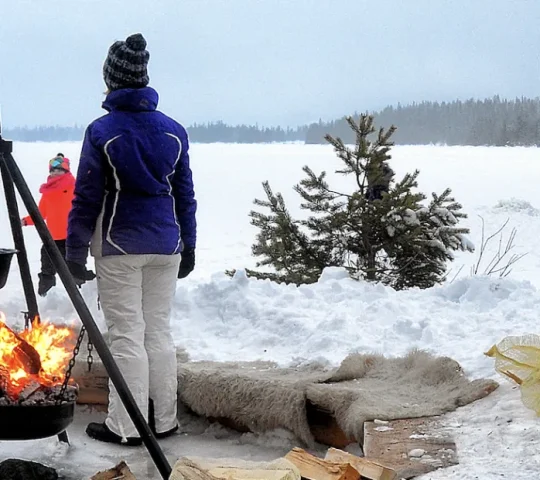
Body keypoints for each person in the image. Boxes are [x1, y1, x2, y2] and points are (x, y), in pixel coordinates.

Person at [66, 33, 197, 445]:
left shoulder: (103, 131)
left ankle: (126, 427)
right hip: (166, 245)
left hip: (119, 245)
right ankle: (165, 422)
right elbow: (185, 194)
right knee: (158, 331)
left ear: (112, 81)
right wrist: (189, 244)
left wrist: (73, 251)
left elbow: (86, 195)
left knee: (126, 334)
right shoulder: (174, 131)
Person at [22, 154, 94, 296]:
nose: (55, 172)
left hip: (72, 237)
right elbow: (40, 214)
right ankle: (46, 297)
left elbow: (86, 206)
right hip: (52, 238)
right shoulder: (47, 193)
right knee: (47, 270)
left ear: (67, 171)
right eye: (52, 170)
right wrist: (25, 221)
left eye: (59, 170)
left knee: (75, 269)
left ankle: (86, 296)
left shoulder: (75, 187)